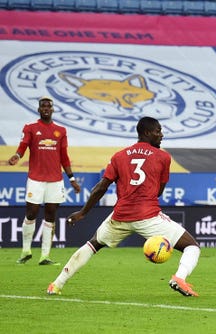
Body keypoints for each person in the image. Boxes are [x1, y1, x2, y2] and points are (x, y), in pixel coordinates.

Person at [46, 117, 201, 297]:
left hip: (120, 217)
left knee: (92, 244)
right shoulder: (163, 157)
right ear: (146, 133)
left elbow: (101, 187)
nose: (161, 135)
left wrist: (83, 212)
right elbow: (158, 192)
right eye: (158, 131)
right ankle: (179, 278)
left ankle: (56, 284)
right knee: (192, 247)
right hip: (148, 216)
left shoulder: (119, 156)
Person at [8, 96, 81, 265]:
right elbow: (23, 146)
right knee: (31, 212)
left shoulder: (60, 131)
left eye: (49, 106)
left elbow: (64, 157)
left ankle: (45, 256)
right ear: (39, 109)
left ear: (52, 109)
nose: (46, 108)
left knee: (50, 215)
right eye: (43, 106)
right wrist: (17, 156)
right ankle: (26, 251)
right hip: (36, 178)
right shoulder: (30, 128)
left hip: (55, 180)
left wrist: (72, 179)